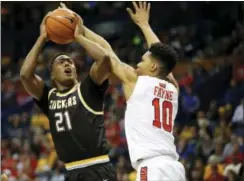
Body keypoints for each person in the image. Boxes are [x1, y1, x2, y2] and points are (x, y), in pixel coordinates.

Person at [76, 2, 186, 180]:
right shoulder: (172, 88)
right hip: (174, 168)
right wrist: (144, 25)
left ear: (153, 67)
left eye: (142, 61)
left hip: (152, 167)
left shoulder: (136, 82)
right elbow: (164, 59)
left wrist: (81, 33)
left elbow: (107, 53)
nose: (137, 64)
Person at [20, 4, 116, 181]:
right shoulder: (49, 97)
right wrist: (42, 38)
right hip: (71, 172)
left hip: (97, 167)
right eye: (61, 62)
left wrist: (78, 36)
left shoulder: (87, 88)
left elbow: (104, 59)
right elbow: (25, 75)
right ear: (52, 75)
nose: (67, 64)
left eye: (70, 62)